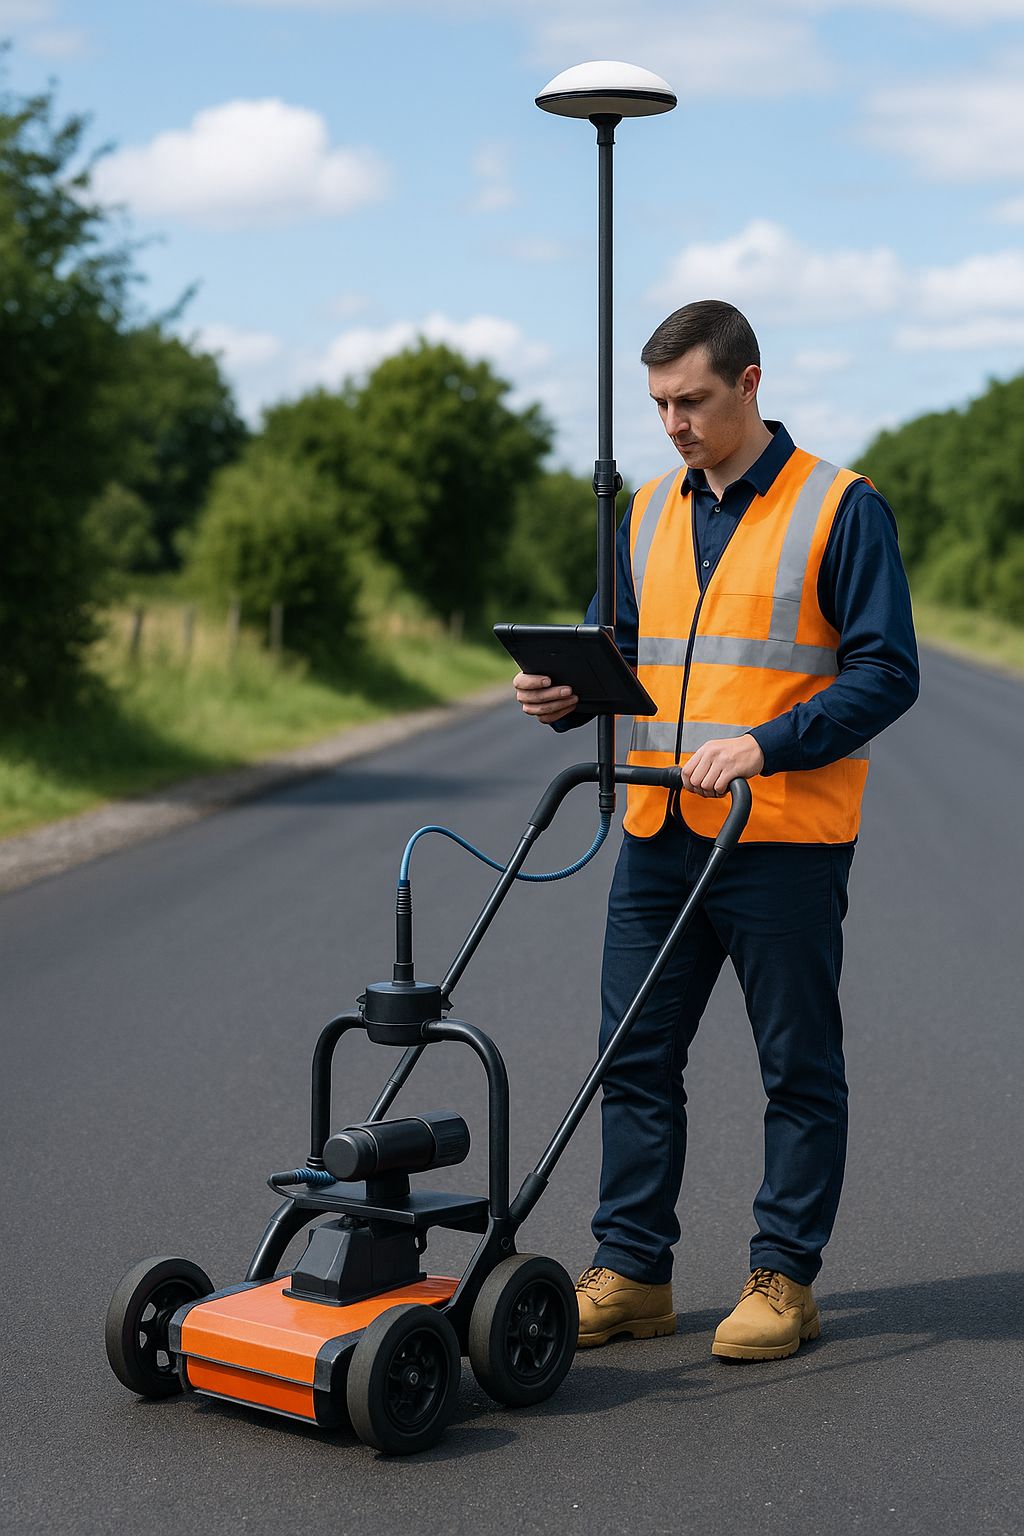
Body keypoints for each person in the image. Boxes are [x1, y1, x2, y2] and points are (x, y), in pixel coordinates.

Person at [513, 300, 919, 1361]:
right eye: (657, 405)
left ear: (748, 382)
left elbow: (886, 672)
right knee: (632, 1055)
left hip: (779, 832)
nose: (673, 423)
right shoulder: (645, 510)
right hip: (659, 827)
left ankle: (783, 1277)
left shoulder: (840, 507)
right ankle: (635, 1269)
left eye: (690, 400)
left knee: (795, 1065)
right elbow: (628, 653)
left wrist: (768, 742)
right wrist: (572, 693)